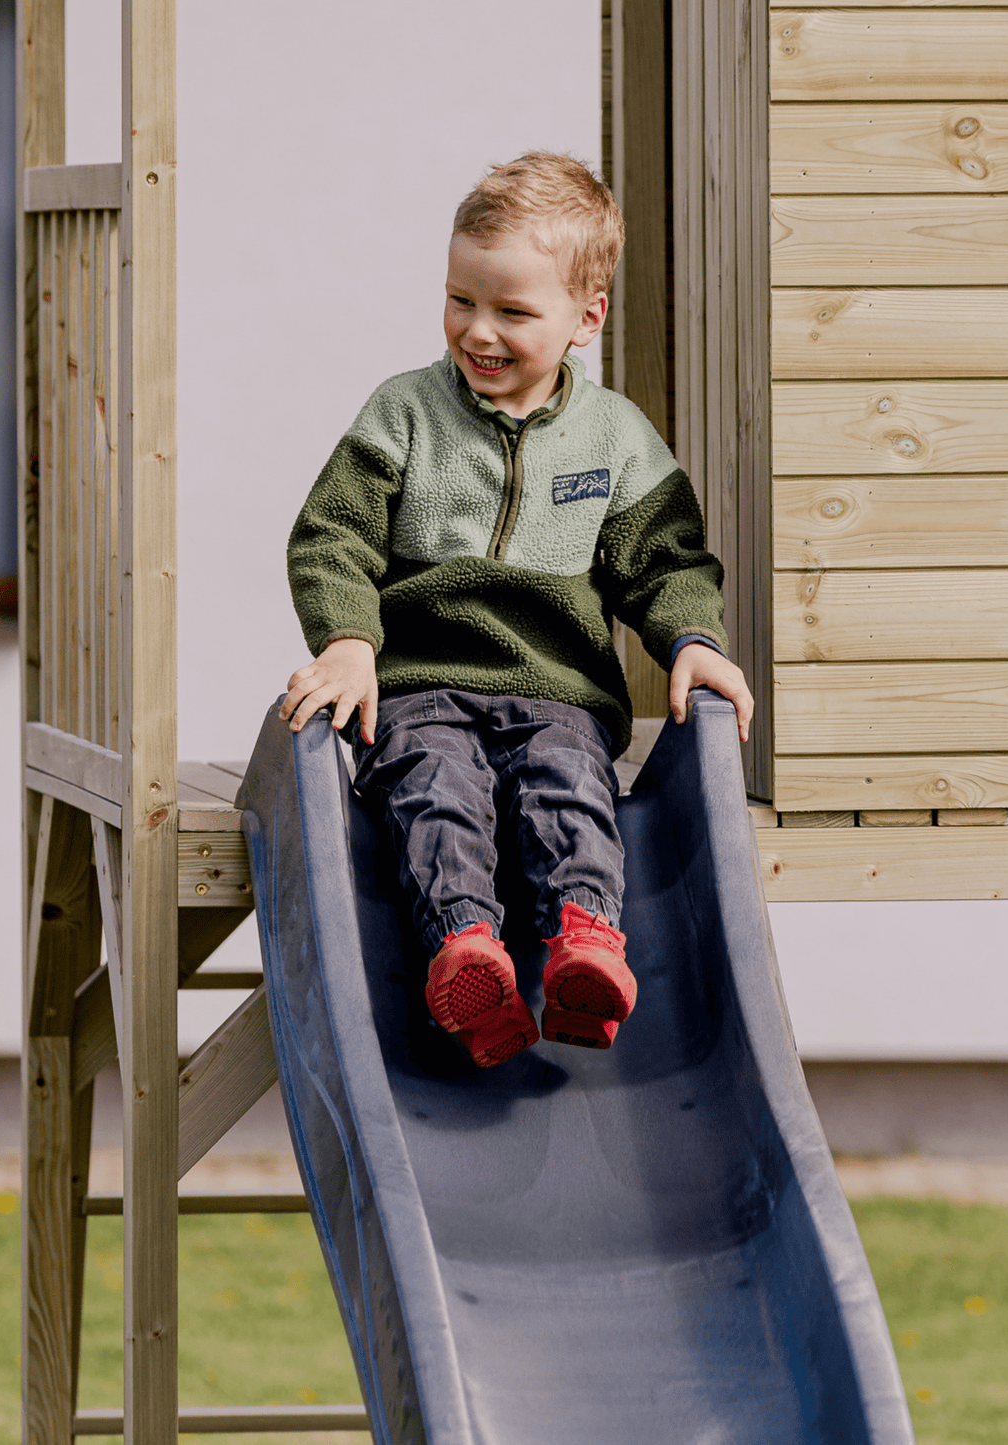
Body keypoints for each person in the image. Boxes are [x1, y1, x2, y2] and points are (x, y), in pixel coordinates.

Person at [279, 152, 753, 1069]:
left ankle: (584, 944)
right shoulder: (405, 413)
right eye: (461, 300)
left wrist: (692, 639)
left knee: (569, 788)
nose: (478, 331)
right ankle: (468, 952)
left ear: (586, 319)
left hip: (557, 692)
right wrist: (348, 643)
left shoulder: (613, 437)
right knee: (434, 790)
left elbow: (663, 561)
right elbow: (333, 536)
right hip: (419, 684)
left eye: (512, 312)